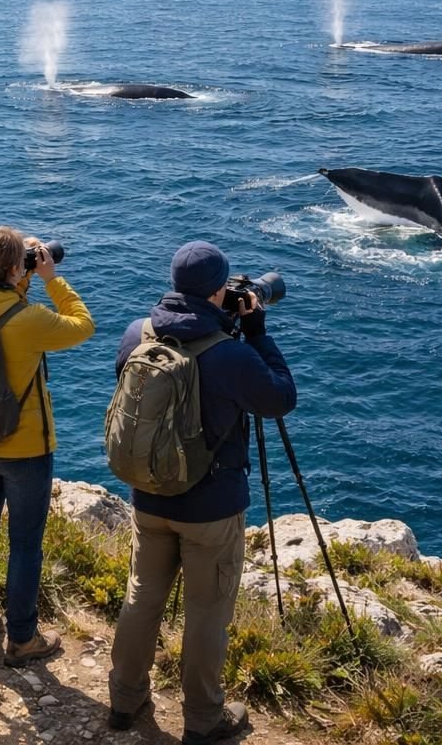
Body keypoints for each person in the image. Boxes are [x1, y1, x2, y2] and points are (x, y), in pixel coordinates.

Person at [107, 241, 296, 744]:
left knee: (142, 598)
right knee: (207, 615)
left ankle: (124, 701)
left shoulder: (136, 334)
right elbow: (280, 398)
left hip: (147, 494)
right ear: (220, 291)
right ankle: (204, 719)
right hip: (210, 507)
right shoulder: (230, 354)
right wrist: (255, 331)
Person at [0, 226, 94, 665]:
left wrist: (18, 270)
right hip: (24, 450)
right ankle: (23, 638)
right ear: (16, 268)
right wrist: (50, 277)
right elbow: (82, 324)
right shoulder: (28, 322)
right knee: (25, 544)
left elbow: (0, 301)